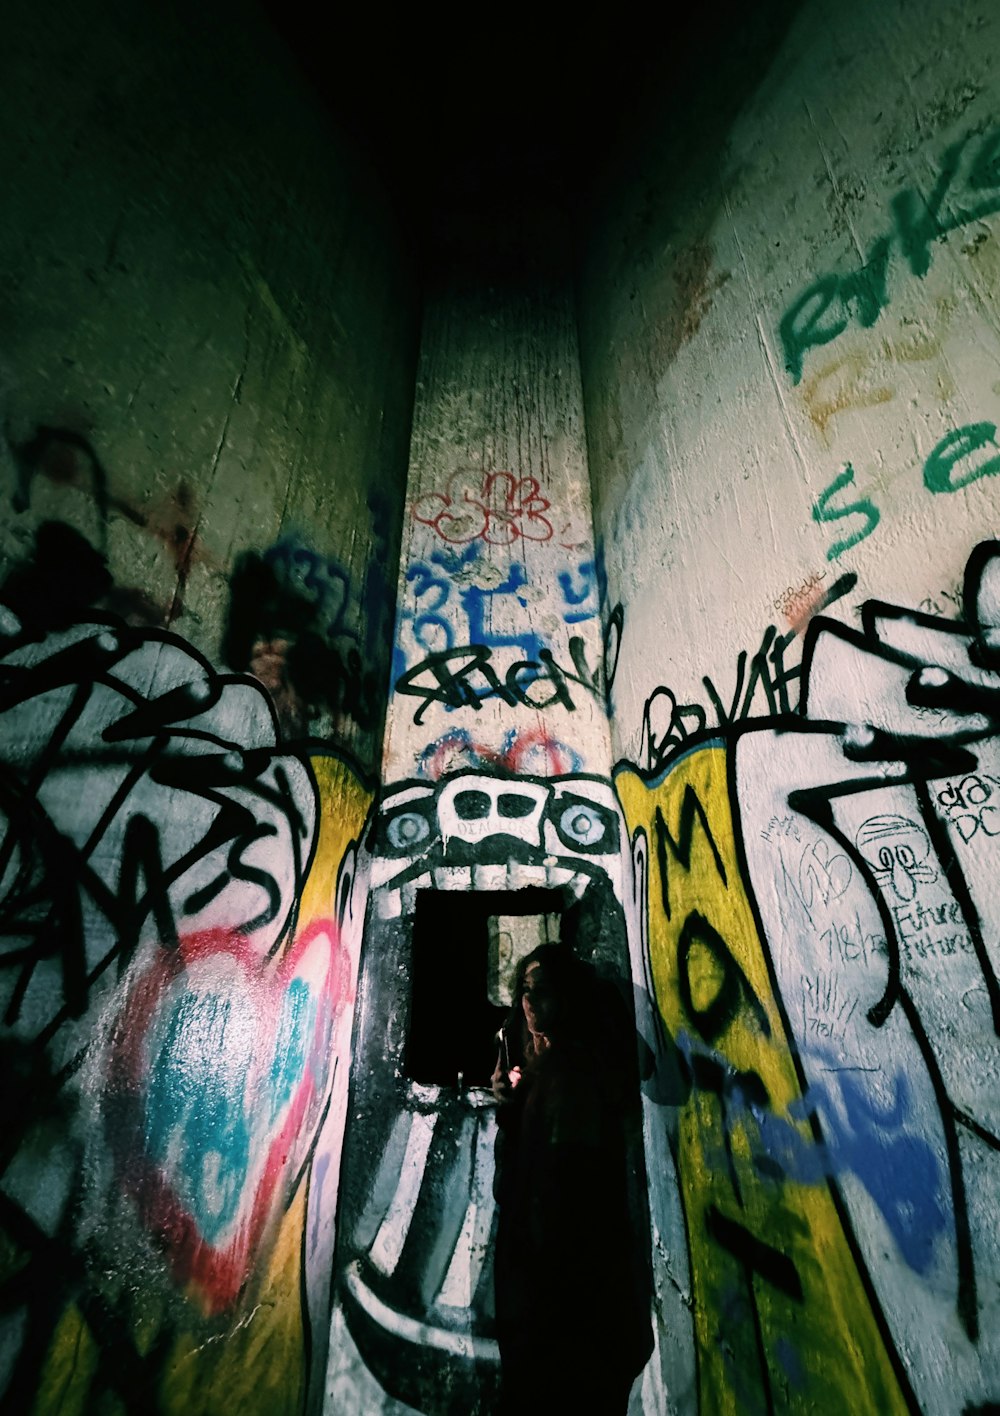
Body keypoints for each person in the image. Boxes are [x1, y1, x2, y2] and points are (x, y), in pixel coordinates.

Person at [491, 944, 653, 1413]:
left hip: (563, 1270)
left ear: (568, 998)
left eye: (541, 990)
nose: (528, 999)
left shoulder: (574, 1069)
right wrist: (507, 1094)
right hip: (535, 1260)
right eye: (524, 988)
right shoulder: (536, 1060)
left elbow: (567, 1183)